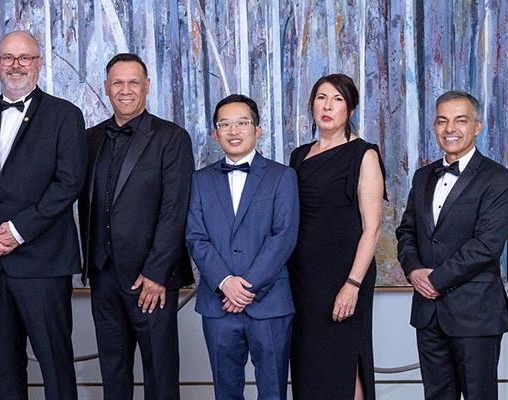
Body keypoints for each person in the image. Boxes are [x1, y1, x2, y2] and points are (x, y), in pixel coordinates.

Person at [0, 31, 87, 399]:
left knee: (55, 365)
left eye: (25, 57)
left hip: (44, 263)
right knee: (5, 366)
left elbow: (69, 183)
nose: (16, 65)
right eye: (8, 57)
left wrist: (17, 231)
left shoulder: (65, 114)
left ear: (39, 63)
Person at [78, 52, 193, 400]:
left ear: (146, 86)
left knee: (159, 371)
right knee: (113, 369)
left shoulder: (171, 137)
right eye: (117, 83)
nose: (125, 90)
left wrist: (157, 273)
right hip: (102, 273)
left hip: (150, 278)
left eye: (132, 82)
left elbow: (175, 209)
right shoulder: (90, 138)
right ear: (106, 88)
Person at [397, 90, 508, 400]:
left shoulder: (499, 179)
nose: (450, 128)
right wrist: (413, 271)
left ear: (477, 126)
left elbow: (486, 246)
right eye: (442, 121)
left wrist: (434, 280)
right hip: (428, 313)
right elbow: (406, 231)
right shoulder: (423, 176)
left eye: (460, 120)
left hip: (475, 313)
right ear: (435, 127)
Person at [186, 94, 299, 400]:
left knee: (273, 391)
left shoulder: (282, 177)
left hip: (270, 302)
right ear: (215, 133)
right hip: (218, 305)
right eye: (225, 124)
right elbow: (196, 238)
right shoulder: (199, 180)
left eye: (242, 123)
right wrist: (225, 283)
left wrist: (245, 287)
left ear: (257, 130)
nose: (234, 131)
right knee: (226, 392)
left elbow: (284, 236)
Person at [286, 73, 384, 400]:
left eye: (337, 99)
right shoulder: (299, 156)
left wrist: (352, 284)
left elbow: (373, 228)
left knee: (343, 360)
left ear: (351, 108)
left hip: (343, 276)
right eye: (321, 98)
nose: (327, 106)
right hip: (302, 279)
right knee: (308, 363)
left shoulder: (363, 154)